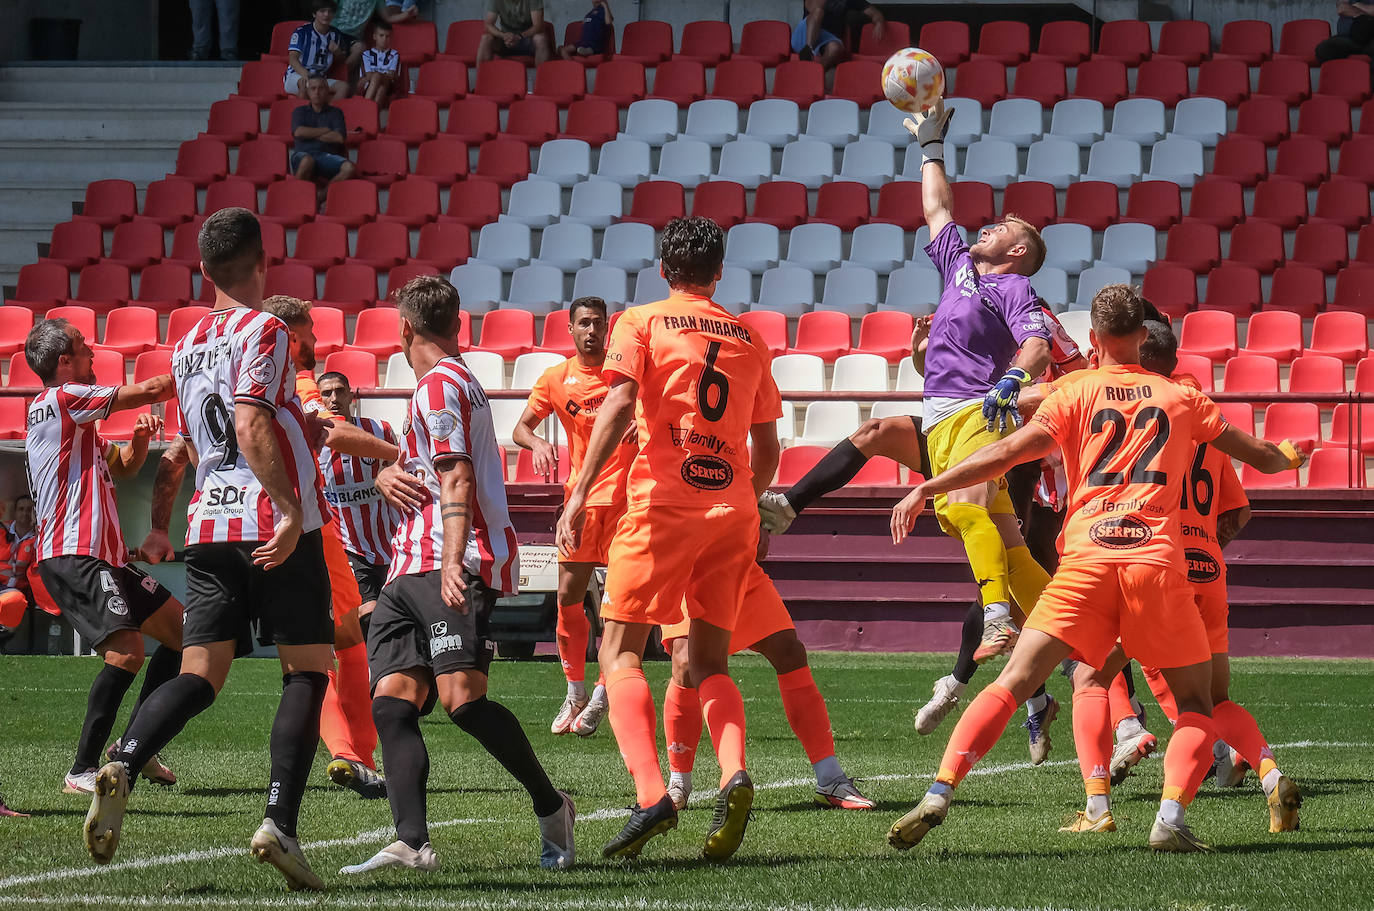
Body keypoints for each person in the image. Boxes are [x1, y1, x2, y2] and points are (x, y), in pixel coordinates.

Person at [885, 284, 1306, 854]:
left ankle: (940, 792)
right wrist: (1293, 454)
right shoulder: (1183, 398)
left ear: (1093, 340)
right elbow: (1260, 456)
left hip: (1085, 560)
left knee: (1015, 683)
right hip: (1156, 561)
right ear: (1142, 337)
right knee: (1198, 705)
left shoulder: (1073, 390)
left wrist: (930, 485)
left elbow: (1005, 453)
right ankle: (1171, 818)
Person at [83, 208, 335, 891]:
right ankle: (280, 823)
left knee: (199, 672)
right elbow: (251, 419)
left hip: (210, 522)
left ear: (202, 270)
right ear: (263, 262)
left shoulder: (185, 337)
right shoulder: (268, 328)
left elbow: (193, 440)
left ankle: (126, 760)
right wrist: (287, 508)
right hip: (271, 524)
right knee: (307, 671)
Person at [554, 216, 782, 861]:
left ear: (663, 270)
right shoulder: (749, 337)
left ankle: (652, 795)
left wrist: (578, 493)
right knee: (710, 662)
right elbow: (767, 445)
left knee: (620, 652)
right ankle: (733, 772)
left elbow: (620, 405)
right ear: (718, 272)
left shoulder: (643, 321)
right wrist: (747, 500)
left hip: (661, 504)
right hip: (732, 509)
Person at [1028, 320, 1302, 836]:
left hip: (1147, 561)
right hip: (1206, 567)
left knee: (1090, 675)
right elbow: (1238, 511)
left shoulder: (1129, 409)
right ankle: (1270, 774)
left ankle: (1097, 805)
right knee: (1213, 701)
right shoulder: (1202, 413)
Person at [343, 275, 574, 876]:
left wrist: (451, 562)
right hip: (406, 563)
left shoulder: (441, 385)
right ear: (457, 325)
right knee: (393, 701)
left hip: (453, 558)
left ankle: (552, 807)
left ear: (404, 330)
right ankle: (412, 842)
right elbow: (429, 467)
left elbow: (458, 478)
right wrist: (384, 474)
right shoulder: (446, 384)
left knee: (463, 702)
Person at [23, 318, 185, 797]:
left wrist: (138, 441)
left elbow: (127, 467)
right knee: (126, 652)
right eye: (83, 347)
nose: (94, 354)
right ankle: (82, 768)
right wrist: (206, 363)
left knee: (184, 632)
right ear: (63, 362)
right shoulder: (63, 398)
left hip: (105, 559)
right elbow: (153, 386)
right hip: (76, 554)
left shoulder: (73, 421)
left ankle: (136, 743)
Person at [262, 297, 402, 799]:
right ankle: (351, 755)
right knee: (321, 651)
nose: (317, 346)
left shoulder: (240, 375)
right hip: (305, 527)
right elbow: (335, 432)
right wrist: (401, 455)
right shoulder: (293, 382)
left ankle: (129, 751)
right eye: (311, 335)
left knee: (198, 662)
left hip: (243, 524)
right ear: (292, 337)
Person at [659, 529, 873, 811]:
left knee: (788, 651)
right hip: (683, 558)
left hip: (734, 557)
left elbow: (750, 484)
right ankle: (679, 782)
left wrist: (762, 521)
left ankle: (830, 779)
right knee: (685, 662)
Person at [512, 297, 632, 737]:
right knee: (567, 596)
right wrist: (538, 444)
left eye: (598, 323)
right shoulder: (556, 379)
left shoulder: (627, 376)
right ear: (570, 328)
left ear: (608, 328)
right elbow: (521, 427)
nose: (591, 331)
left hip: (627, 503)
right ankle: (576, 689)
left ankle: (603, 692)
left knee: (619, 603)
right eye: (583, 323)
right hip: (580, 503)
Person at [791, 0, 885, 85]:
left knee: (836, 47)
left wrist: (879, 22)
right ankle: (808, 49)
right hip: (805, 33)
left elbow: (874, 13)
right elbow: (813, 8)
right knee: (818, 12)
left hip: (827, 38)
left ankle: (816, 73)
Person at [291, 75, 358, 189]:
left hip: (327, 156)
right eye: (313, 88)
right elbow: (298, 132)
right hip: (303, 154)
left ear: (327, 91)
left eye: (321, 88)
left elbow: (339, 138)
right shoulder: (299, 111)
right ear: (307, 92)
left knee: (349, 168)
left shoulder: (336, 113)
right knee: (307, 161)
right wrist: (325, 130)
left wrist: (310, 134)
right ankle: (295, 199)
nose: (317, 92)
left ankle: (321, 197)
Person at [286, 1, 351, 99]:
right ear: (314, 14)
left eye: (330, 11)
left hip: (321, 78)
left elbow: (342, 60)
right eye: (322, 11)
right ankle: (303, 112)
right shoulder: (302, 32)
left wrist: (337, 51)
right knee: (307, 86)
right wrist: (308, 76)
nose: (326, 14)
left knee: (344, 87)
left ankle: (329, 112)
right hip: (297, 75)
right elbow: (292, 59)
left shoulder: (336, 34)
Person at [477, 0, 552, 65]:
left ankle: (542, 79)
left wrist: (519, 36)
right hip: (506, 40)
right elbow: (488, 24)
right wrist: (503, 36)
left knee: (540, 39)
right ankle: (482, 79)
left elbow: (538, 26)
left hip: (527, 39)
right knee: (486, 38)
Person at [358, 21, 402, 106]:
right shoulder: (366, 54)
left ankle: (364, 108)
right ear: (375, 36)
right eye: (381, 36)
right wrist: (384, 74)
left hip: (389, 84)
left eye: (387, 36)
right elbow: (368, 76)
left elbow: (392, 76)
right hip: (370, 85)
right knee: (381, 89)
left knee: (377, 76)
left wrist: (379, 75)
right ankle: (371, 115)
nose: (384, 39)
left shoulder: (394, 54)